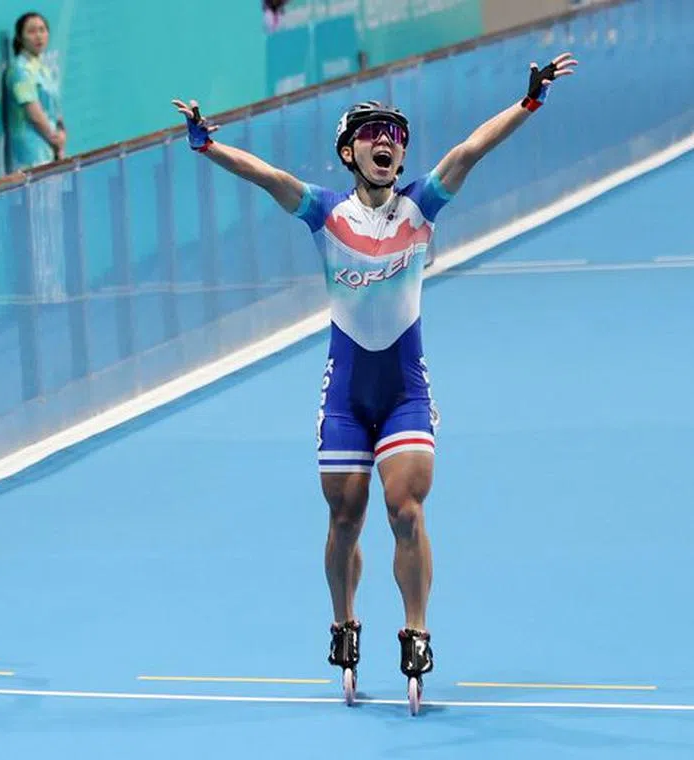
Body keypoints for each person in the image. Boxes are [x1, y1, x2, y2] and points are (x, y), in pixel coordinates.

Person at [172, 52, 577, 710]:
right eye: (371, 134)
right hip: (345, 398)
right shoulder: (324, 212)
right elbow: (267, 176)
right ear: (349, 153)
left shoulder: (421, 204)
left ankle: (416, 632)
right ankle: (344, 621)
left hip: (404, 393)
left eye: (394, 134)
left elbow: (471, 150)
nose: (385, 142)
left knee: (405, 510)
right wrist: (207, 145)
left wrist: (528, 102)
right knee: (345, 517)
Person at [5, 11, 65, 171]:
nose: (38, 36)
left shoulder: (44, 70)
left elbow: (57, 112)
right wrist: (55, 140)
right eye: (31, 31)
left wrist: (61, 135)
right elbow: (34, 113)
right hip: (31, 153)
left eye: (42, 30)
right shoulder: (19, 70)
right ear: (20, 38)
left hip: (51, 149)